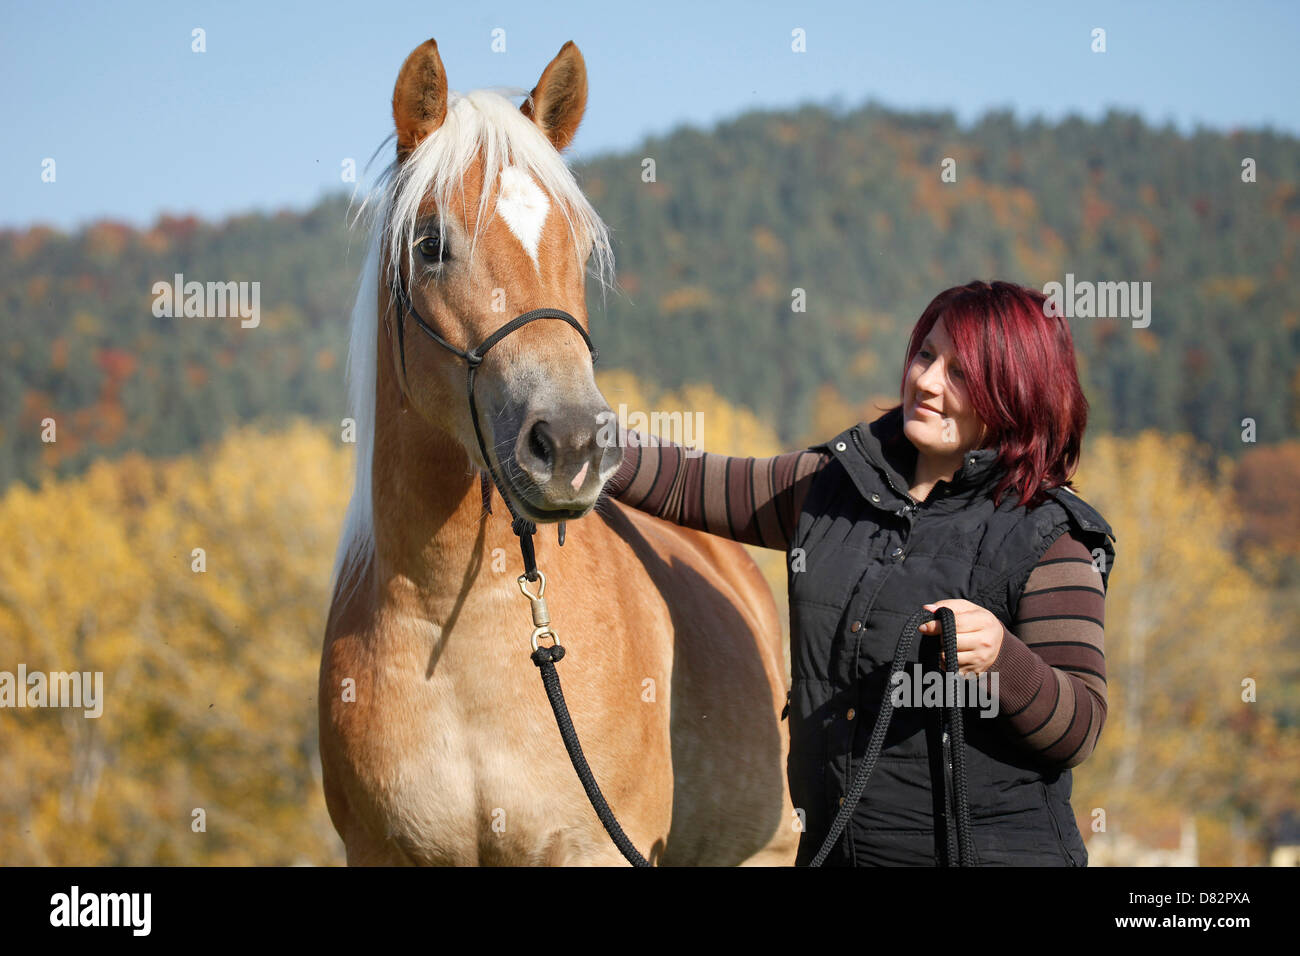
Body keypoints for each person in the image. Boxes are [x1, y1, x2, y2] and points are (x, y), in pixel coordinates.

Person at [602, 280, 1116, 866]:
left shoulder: (1050, 536)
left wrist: (1002, 658)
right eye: (926, 354)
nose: (925, 382)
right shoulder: (834, 485)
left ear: (1015, 393)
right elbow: (690, 480)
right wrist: (571, 434)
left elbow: (1081, 726)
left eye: (960, 374)